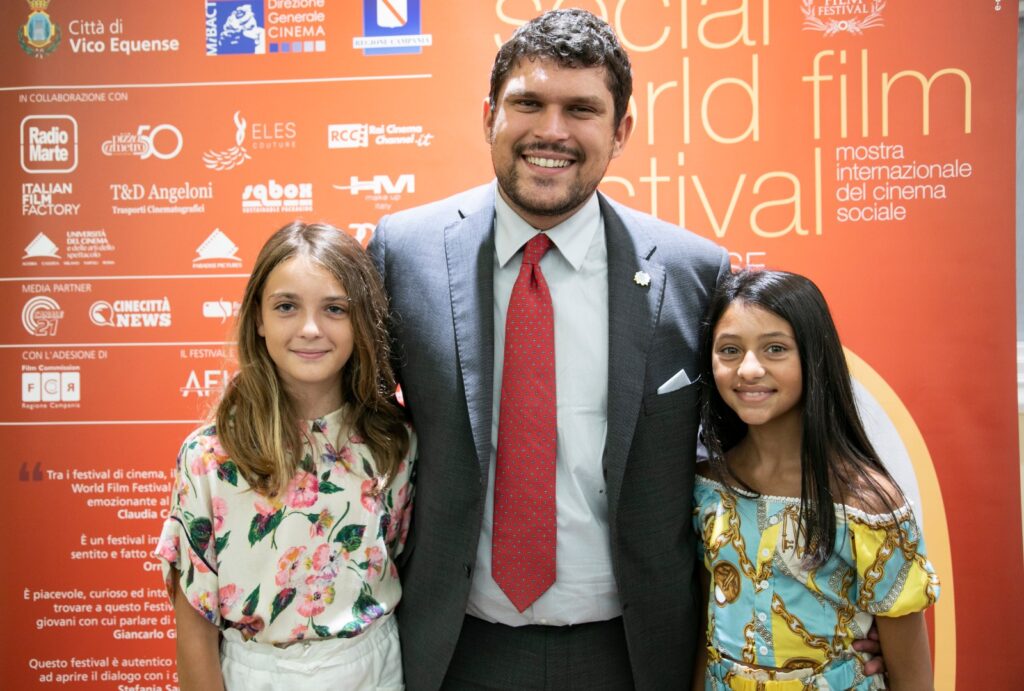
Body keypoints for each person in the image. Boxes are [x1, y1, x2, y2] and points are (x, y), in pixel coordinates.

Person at [368, 9, 730, 689]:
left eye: (581, 109)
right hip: (454, 649)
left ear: (620, 131)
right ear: (489, 117)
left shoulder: (693, 273)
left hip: (633, 654)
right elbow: (343, 430)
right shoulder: (403, 253)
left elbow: (748, 454)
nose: (552, 131)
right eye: (528, 103)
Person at [154, 222, 416, 690]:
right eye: (286, 307)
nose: (310, 329)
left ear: (360, 321)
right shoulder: (208, 458)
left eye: (334, 308)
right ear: (258, 318)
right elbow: (194, 627)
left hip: (376, 667)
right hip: (256, 674)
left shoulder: (394, 442)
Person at [692, 270, 940, 690]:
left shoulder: (867, 506)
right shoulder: (706, 486)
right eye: (730, 350)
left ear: (814, 355)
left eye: (775, 349)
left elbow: (912, 673)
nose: (749, 369)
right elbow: (707, 628)